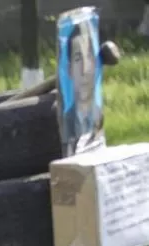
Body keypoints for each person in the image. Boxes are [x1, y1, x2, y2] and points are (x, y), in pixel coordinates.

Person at [61, 20, 103, 154]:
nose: (85, 70)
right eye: (78, 59)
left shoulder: (99, 117)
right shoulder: (66, 121)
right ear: (69, 69)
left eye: (90, 57)